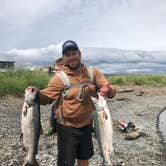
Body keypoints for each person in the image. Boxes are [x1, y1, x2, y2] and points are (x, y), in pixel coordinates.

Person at [26, 40, 116, 166]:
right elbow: (46, 97)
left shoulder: (92, 72)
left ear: (79, 53)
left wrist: (108, 89)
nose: (71, 57)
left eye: (74, 53)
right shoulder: (59, 78)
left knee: (84, 158)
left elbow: (110, 91)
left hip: (86, 125)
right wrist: (35, 93)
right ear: (63, 58)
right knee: (66, 162)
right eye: (67, 55)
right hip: (66, 127)